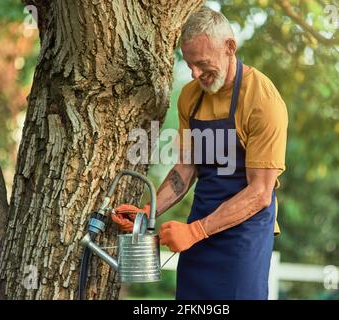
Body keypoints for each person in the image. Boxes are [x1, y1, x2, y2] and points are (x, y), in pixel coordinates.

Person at [111, 6, 288, 300]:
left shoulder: (262, 100)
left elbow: (260, 192)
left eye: (202, 63)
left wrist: (195, 232)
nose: (194, 73)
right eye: (189, 63)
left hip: (243, 236)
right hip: (200, 222)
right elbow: (186, 169)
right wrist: (148, 212)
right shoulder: (191, 97)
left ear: (230, 47)